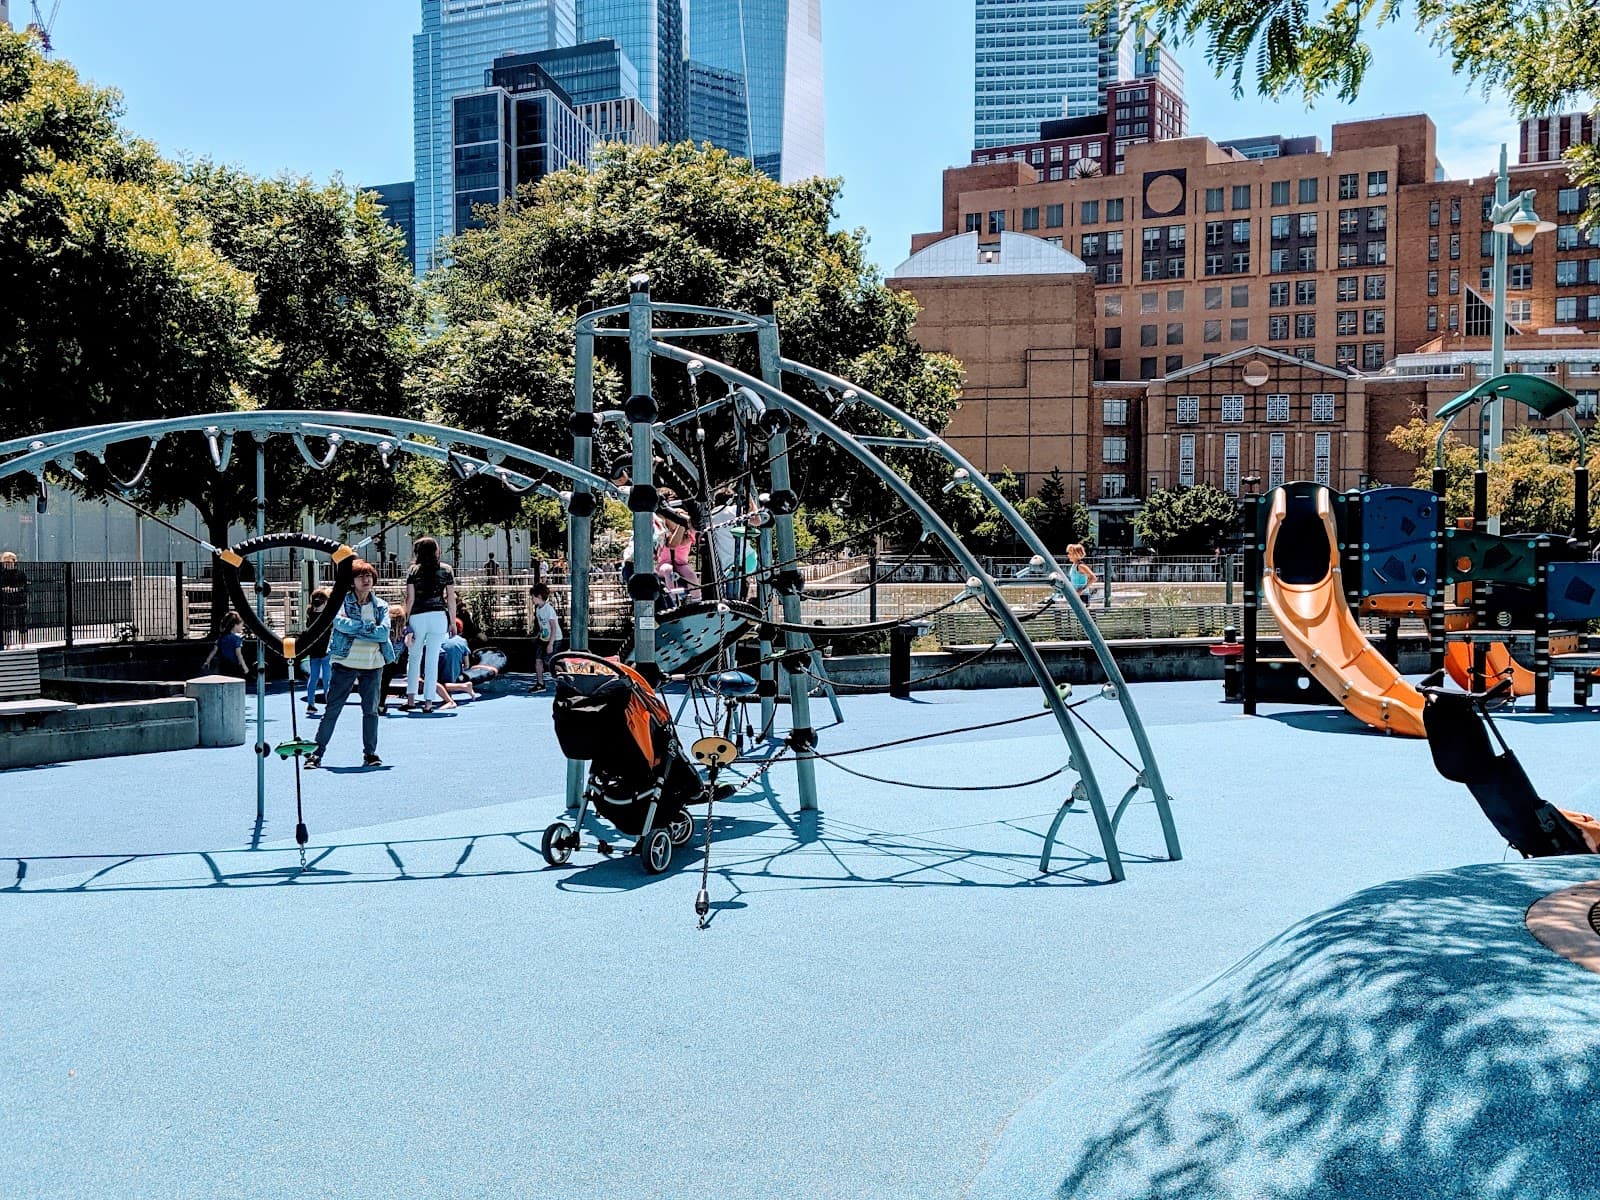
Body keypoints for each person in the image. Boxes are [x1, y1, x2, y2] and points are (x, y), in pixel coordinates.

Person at [306, 559, 395, 769]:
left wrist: (358, 629)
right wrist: (368, 627)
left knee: (371, 711)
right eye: (361, 576)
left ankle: (370, 754)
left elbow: (384, 632)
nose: (366, 580)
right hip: (345, 663)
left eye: (369, 576)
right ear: (352, 581)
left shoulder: (381, 605)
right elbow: (339, 624)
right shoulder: (340, 602)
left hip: (373, 665)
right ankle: (316, 754)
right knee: (332, 710)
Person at [404, 536, 457, 714]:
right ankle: (428, 703)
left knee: (414, 658)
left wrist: (406, 621)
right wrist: (452, 621)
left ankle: (411, 700)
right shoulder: (446, 570)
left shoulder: (413, 571)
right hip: (438, 617)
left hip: (418, 616)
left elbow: (409, 599)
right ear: (436, 551)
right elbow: (451, 599)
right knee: (432, 660)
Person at [302, 588, 333, 717]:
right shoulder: (327, 615)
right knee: (327, 678)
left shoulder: (310, 615)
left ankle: (310, 703)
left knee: (313, 677)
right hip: (326, 650)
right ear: (325, 602)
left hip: (314, 651)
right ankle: (329, 703)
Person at [530, 582, 563, 691]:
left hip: (554, 639)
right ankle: (540, 684)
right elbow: (543, 626)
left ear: (539, 597)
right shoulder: (539, 609)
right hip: (544, 638)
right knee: (538, 660)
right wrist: (538, 635)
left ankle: (566, 672)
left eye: (533, 597)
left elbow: (553, 627)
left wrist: (551, 643)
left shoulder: (548, 609)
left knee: (549, 662)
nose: (532, 599)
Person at [204, 611, 250, 678]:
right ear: (235, 625)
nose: (242, 627)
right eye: (241, 625)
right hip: (234, 666)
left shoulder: (221, 637)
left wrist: (207, 661)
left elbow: (214, 651)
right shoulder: (237, 639)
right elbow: (238, 654)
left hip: (223, 665)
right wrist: (244, 667)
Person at [0, 551, 27, 649]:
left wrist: (14, 589)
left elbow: (24, 587)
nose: (7, 565)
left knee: (22, 624)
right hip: (7, 602)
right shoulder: (2, 574)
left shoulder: (20, 573)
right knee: (7, 625)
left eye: (9, 562)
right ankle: (8, 644)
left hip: (19, 601)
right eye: (5, 563)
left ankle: (23, 644)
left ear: (14, 562)